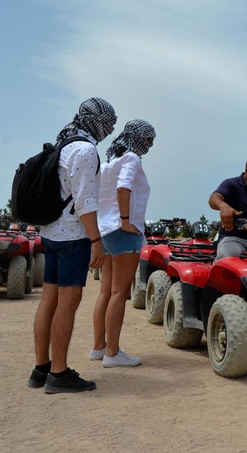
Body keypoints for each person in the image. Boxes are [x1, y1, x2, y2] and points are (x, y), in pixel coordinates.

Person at [28, 97, 117, 394]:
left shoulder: (64, 142)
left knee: (48, 301)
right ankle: (59, 373)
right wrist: (96, 241)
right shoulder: (85, 149)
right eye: (108, 123)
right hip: (72, 238)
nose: (110, 129)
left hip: (51, 232)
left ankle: (41, 369)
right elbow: (85, 202)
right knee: (68, 303)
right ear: (96, 121)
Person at [91, 120, 156, 368]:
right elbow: (124, 187)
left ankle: (99, 347)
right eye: (148, 140)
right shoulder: (131, 159)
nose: (149, 145)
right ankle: (113, 353)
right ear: (138, 138)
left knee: (106, 292)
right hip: (123, 231)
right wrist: (126, 220)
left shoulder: (109, 162)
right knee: (119, 293)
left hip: (106, 230)